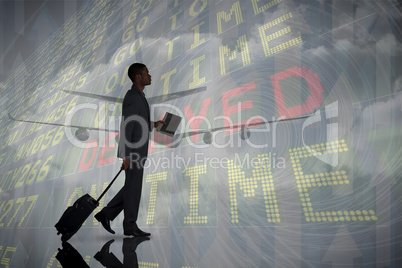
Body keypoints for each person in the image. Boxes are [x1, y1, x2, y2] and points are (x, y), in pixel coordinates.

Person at [95, 63, 165, 236]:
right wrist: (125, 155)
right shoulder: (133, 96)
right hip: (133, 151)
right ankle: (129, 225)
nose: (150, 76)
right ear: (138, 77)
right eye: (147, 73)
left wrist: (153, 124)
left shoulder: (139, 95)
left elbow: (137, 121)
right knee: (133, 188)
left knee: (131, 187)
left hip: (137, 151)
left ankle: (107, 214)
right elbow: (127, 125)